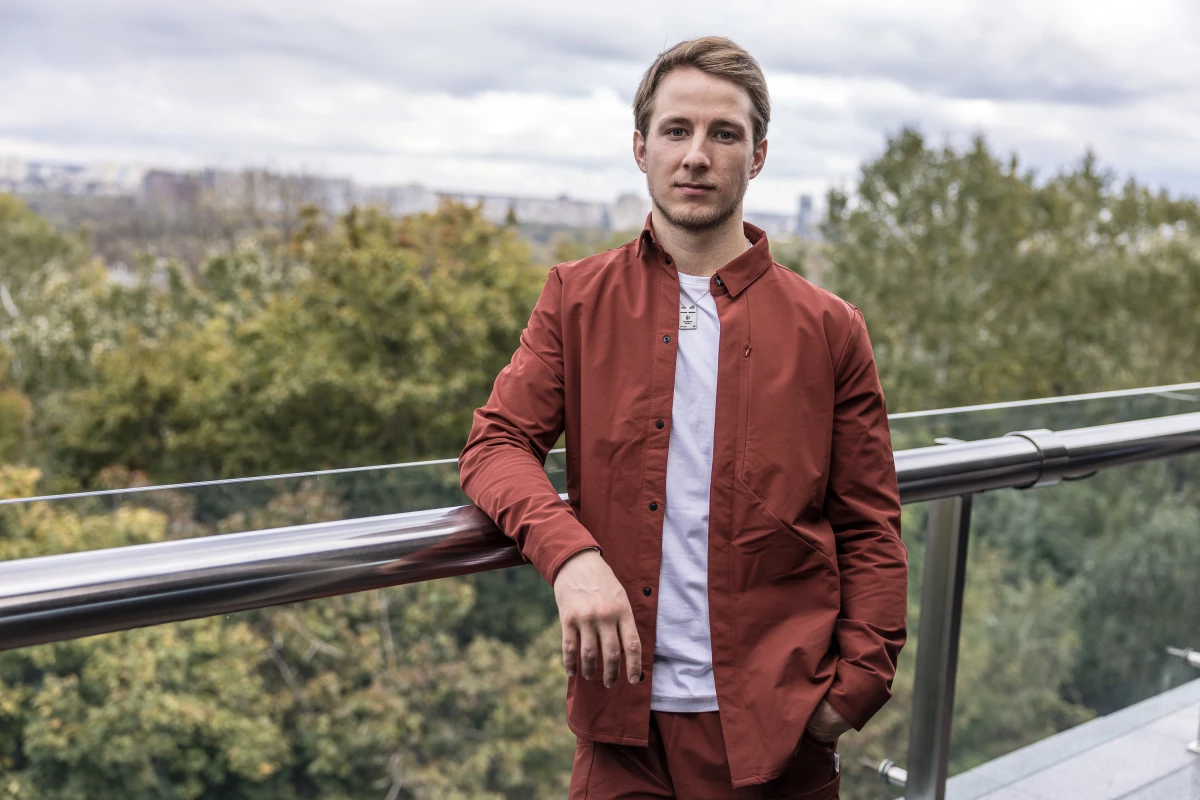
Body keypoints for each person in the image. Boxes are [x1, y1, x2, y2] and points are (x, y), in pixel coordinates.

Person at [458, 35, 907, 799]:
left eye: (723, 134)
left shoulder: (830, 328)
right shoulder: (576, 298)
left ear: (757, 155)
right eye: (677, 131)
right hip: (621, 734)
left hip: (779, 734)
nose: (697, 155)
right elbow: (495, 444)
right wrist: (571, 556)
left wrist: (852, 691)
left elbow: (868, 525)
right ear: (642, 148)